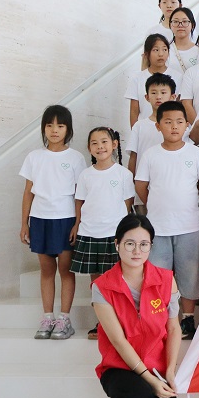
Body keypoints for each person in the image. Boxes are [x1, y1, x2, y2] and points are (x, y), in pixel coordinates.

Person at [92, 213, 182, 398]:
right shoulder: (102, 287)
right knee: (138, 392)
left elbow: (173, 328)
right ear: (117, 244)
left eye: (144, 244)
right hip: (120, 367)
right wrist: (150, 382)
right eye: (130, 243)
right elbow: (119, 341)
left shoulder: (166, 279)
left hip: (157, 367)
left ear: (151, 246)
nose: (137, 251)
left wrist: (170, 371)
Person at [133, 101, 199, 340]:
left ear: (187, 125)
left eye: (179, 122)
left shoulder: (196, 154)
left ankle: (188, 318)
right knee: (158, 276)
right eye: (168, 122)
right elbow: (141, 185)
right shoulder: (150, 154)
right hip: (158, 227)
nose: (174, 126)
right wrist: (155, 206)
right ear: (158, 126)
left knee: (190, 275)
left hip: (189, 226)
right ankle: (162, 319)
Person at [19, 105, 86, 340]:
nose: (54, 130)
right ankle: (47, 317)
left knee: (65, 270)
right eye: (49, 125)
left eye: (60, 125)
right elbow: (28, 192)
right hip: (40, 219)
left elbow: (80, 194)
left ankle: (64, 319)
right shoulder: (34, 157)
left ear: (68, 129)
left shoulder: (76, 158)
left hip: (65, 219)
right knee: (47, 270)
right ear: (43, 128)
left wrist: (77, 223)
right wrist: (24, 223)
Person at [72, 127, 135, 339]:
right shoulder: (85, 175)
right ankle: (101, 322)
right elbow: (79, 202)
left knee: (117, 280)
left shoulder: (124, 174)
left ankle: (120, 322)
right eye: (95, 143)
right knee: (97, 283)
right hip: (89, 233)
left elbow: (128, 204)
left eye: (104, 141)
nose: (100, 146)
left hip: (114, 235)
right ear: (89, 148)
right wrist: (77, 225)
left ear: (114, 144)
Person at [127, 73, 181, 177]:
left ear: (173, 96)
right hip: (144, 179)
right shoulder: (139, 126)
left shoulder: (179, 126)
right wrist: (131, 181)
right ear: (147, 97)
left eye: (163, 92)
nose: (158, 97)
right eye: (154, 93)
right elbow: (133, 156)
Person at [126, 34, 181, 128]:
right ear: (147, 54)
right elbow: (134, 111)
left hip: (169, 130)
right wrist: (135, 131)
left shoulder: (178, 76)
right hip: (145, 129)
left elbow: (180, 107)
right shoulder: (137, 78)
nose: (161, 54)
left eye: (164, 49)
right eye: (156, 50)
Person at [165, 7, 199, 75]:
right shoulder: (165, 50)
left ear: (192, 25)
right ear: (170, 25)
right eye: (175, 22)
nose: (180, 25)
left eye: (185, 21)